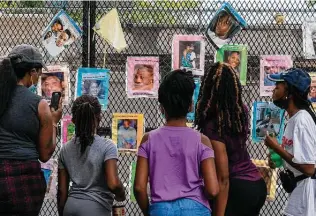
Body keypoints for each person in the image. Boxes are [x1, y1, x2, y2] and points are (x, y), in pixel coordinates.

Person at [134, 69, 219, 216]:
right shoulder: (202, 141)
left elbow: (139, 188)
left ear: (161, 108)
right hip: (196, 209)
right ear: (190, 106)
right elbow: (212, 190)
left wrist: (150, 212)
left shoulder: (148, 139)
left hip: (161, 209)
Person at [195, 62, 267, 216]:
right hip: (256, 184)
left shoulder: (213, 124)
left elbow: (223, 177)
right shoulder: (241, 111)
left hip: (237, 187)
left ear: (208, 89)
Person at [0, 44, 62, 215]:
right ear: (32, 72)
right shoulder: (40, 105)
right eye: (40, 72)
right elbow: (45, 154)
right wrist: (54, 122)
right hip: (24, 182)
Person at [57, 95, 126, 216]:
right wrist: (121, 194)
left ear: (73, 121)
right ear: (99, 118)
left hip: (71, 206)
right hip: (96, 208)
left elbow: (62, 191)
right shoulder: (107, 146)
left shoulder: (65, 149)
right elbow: (113, 183)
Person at [264, 68, 316, 216]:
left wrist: (276, 147)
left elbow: (308, 167)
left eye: (278, 86)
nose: (274, 90)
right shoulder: (293, 119)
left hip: (306, 197)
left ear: (289, 94)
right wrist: (277, 158)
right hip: (298, 192)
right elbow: (295, 156)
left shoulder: (302, 120)